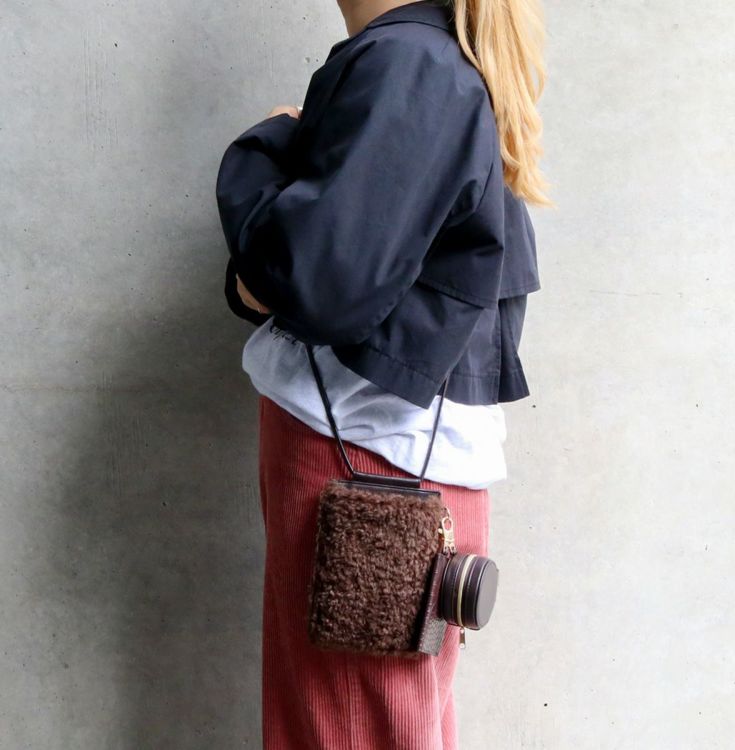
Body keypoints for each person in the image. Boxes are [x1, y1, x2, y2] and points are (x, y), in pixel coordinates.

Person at [215, 0, 552, 746]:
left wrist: (267, 146)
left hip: (362, 466)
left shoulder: (410, 65)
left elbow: (322, 280)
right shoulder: (430, 60)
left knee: (338, 729)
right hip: (387, 461)